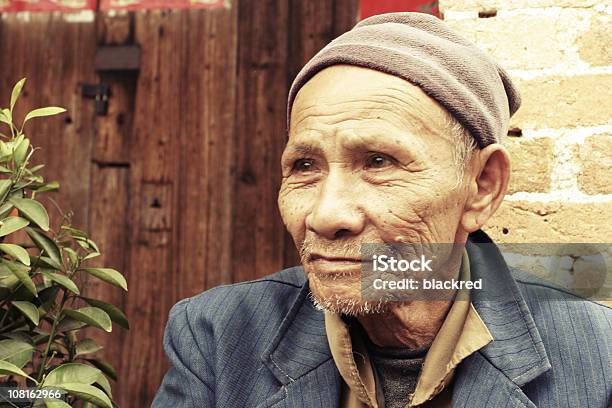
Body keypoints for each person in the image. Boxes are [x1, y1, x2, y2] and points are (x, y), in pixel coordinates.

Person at [152, 12, 611, 408]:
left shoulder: (598, 356)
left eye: (378, 162)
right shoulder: (218, 335)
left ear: (481, 188)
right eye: (305, 166)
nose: (326, 215)